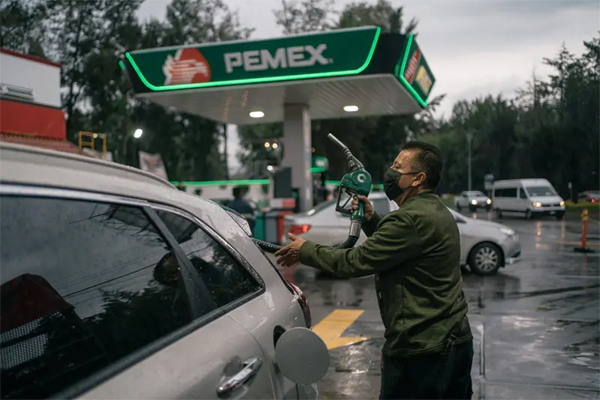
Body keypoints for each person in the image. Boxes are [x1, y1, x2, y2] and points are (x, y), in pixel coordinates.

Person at [275, 141, 473, 399]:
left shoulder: (409, 219)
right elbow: (401, 248)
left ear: (418, 179)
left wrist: (306, 250)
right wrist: (370, 220)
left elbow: (356, 261)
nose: (391, 172)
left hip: (422, 352)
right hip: (454, 342)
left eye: (398, 167)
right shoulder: (436, 211)